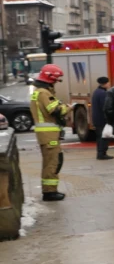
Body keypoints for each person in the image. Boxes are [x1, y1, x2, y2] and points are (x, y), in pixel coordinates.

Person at [30, 64, 69, 201]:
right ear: (50, 78)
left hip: (47, 135)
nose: (56, 83)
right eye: (56, 80)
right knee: (52, 163)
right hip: (49, 135)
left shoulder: (38, 92)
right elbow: (55, 110)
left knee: (51, 162)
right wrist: (68, 108)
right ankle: (49, 192)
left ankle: (50, 191)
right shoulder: (44, 93)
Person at [91, 77, 113, 160]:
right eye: (108, 82)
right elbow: (105, 107)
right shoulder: (103, 94)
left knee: (99, 137)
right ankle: (102, 154)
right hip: (102, 119)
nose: (109, 84)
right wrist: (109, 118)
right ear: (105, 84)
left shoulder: (96, 92)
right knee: (104, 137)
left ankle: (100, 153)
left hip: (96, 118)